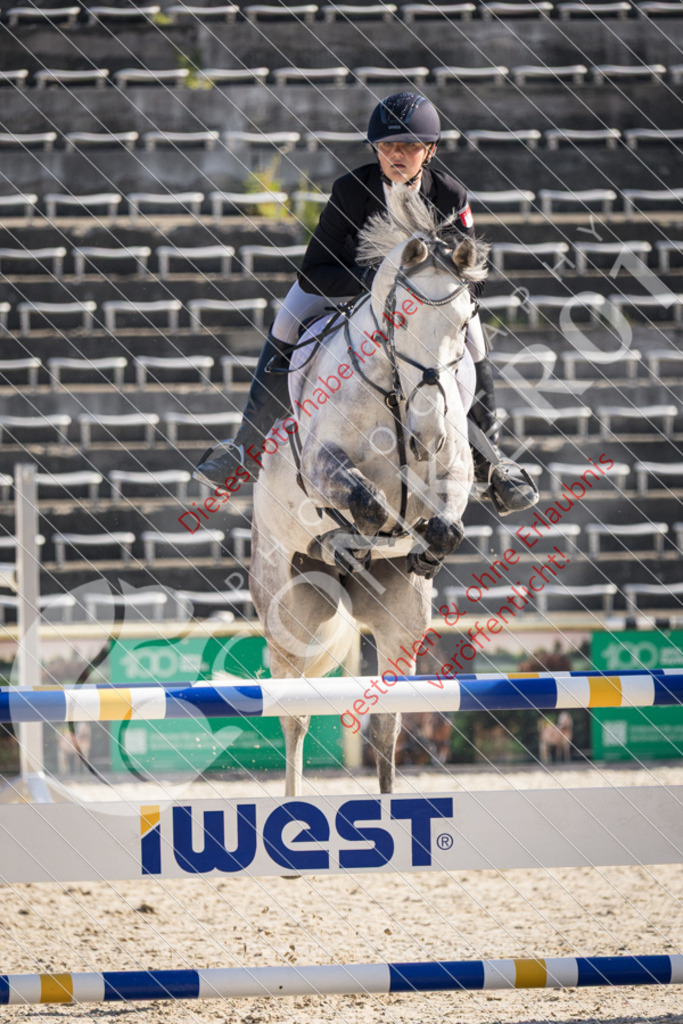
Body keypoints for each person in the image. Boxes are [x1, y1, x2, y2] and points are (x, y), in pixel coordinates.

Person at [194, 92, 539, 515]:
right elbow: (315, 270)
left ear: (428, 151)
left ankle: (491, 463)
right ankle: (245, 449)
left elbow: (473, 279)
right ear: (375, 148)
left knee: (475, 342)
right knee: (286, 323)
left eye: (409, 146)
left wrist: (435, 296)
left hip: (427, 303)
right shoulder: (351, 191)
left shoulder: (450, 195)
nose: (396, 155)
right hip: (346, 287)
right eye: (387, 146)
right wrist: (375, 285)